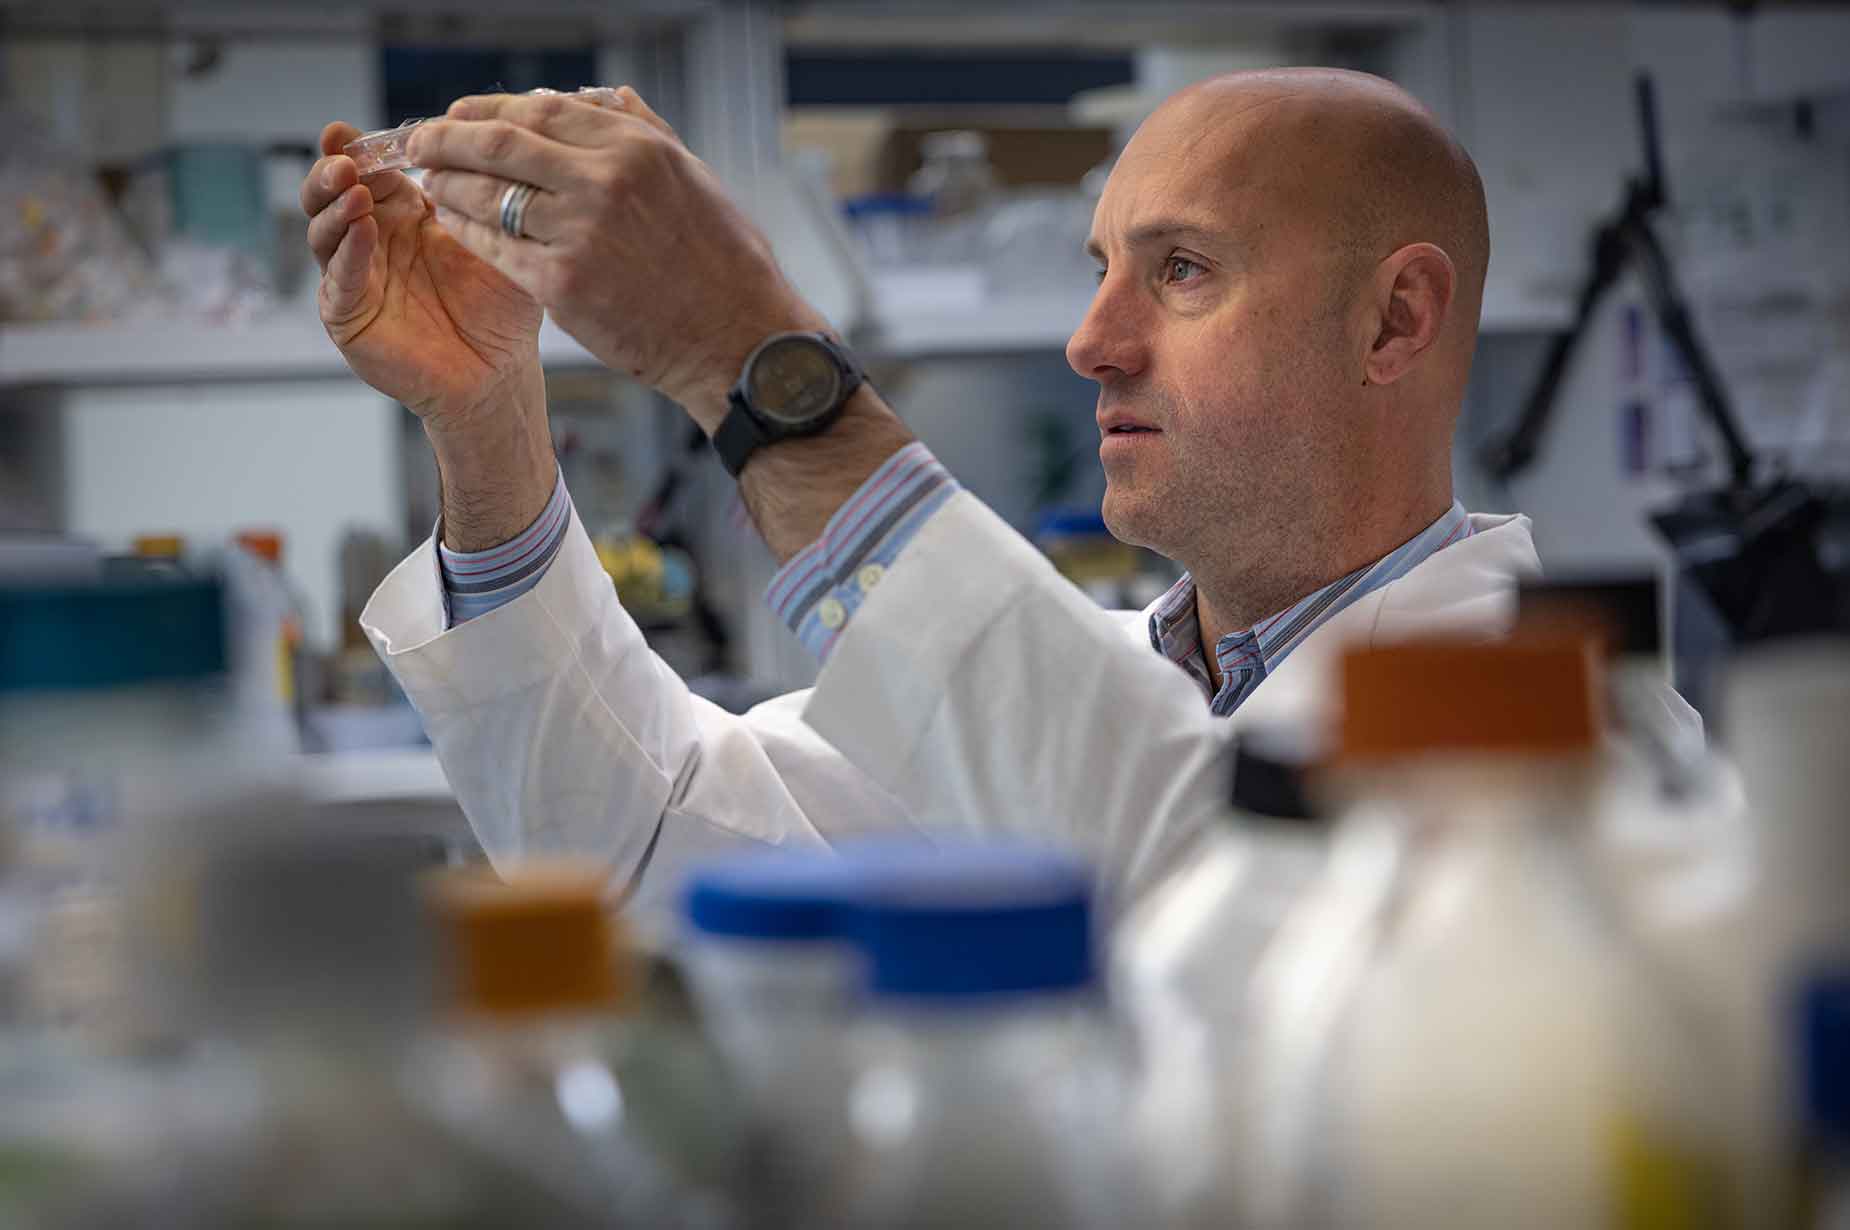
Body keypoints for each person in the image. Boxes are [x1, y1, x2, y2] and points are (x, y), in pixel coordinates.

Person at [303, 69, 1544, 918]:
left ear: (1394, 320)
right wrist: (486, 415)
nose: (1091, 342)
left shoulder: (1558, 750)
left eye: (1180, 269)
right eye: (1098, 268)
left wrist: (746, 355)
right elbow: (635, 850)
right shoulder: (1096, 684)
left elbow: (1219, 897)